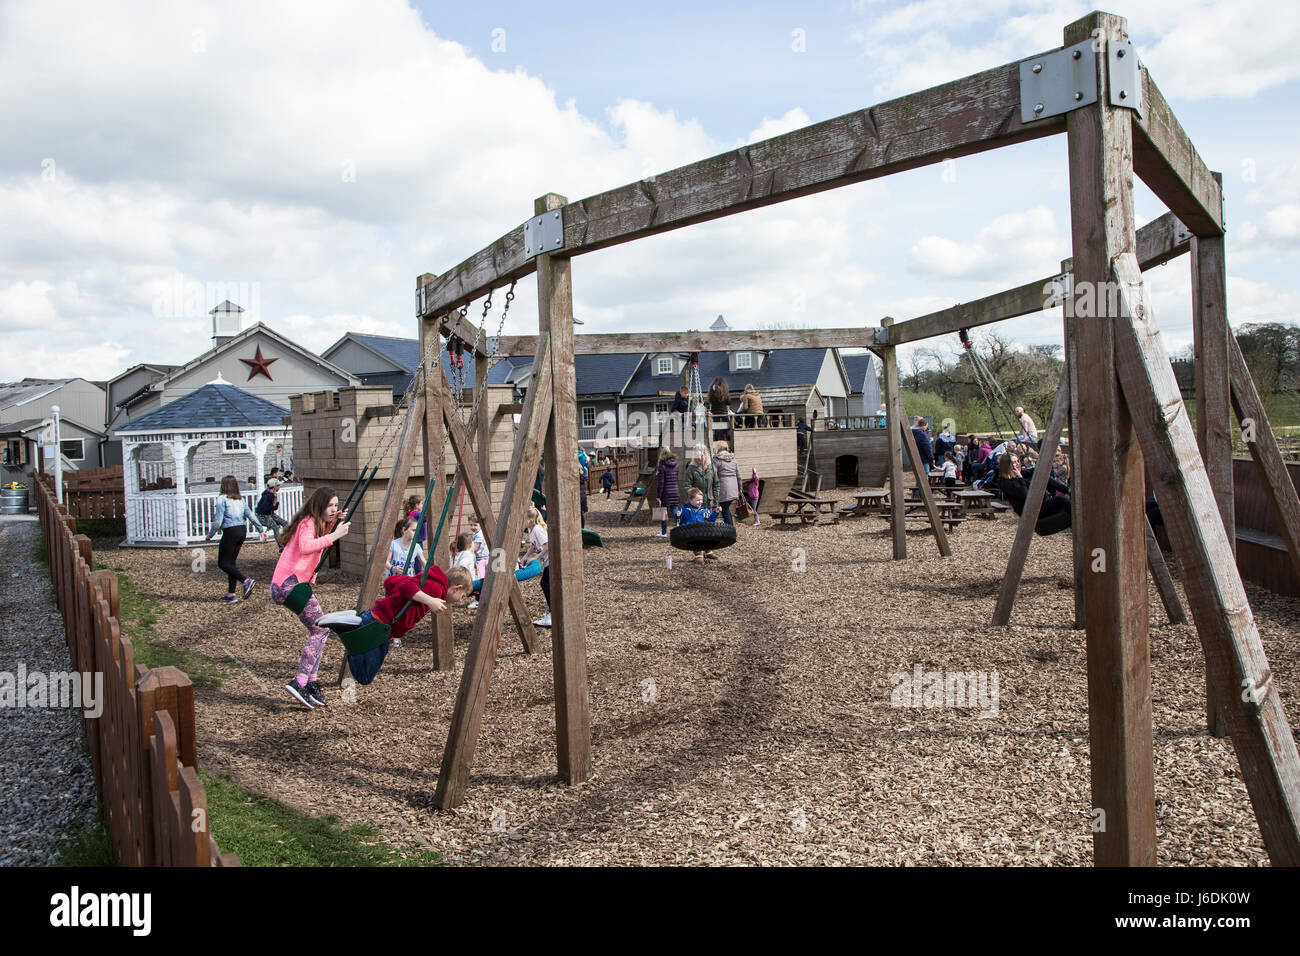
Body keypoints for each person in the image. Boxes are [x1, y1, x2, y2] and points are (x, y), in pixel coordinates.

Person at [319, 565, 473, 685]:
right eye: (463, 595)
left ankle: (348, 623)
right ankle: (345, 626)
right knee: (364, 676)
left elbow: (390, 582)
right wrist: (429, 600)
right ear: (456, 588)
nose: (460, 599)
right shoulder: (435, 588)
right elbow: (404, 587)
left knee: (364, 667)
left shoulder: (427, 580)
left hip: (374, 618)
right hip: (379, 626)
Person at [271, 487, 350, 708]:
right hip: (289, 584)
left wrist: (332, 525)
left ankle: (310, 682)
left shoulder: (314, 523)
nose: (334, 509)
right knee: (321, 629)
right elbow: (306, 547)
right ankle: (300, 681)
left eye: (336, 505)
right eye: (330, 506)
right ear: (319, 506)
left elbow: (319, 538)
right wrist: (334, 535)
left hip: (291, 584)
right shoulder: (307, 523)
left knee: (320, 630)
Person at [205, 476, 268, 603]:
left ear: (223, 486)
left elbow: (218, 521)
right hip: (241, 531)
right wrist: (261, 530)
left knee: (222, 563)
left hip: (231, 531)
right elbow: (250, 515)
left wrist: (210, 534)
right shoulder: (240, 500)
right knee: (231, 563)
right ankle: (231, 594)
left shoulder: (221, 499)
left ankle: (245, 581)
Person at [997, 453, 1071, 534]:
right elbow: (1025, 495)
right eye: (1014, 462)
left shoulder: (1020, 473)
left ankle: (1068, 491)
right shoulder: (1005, 482)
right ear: (1006, 465)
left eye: (1018, 461)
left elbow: (1032, 471)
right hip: (1029, 511)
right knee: (1060, 500)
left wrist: (1041, 464)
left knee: (1044, 478)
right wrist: (1020, 478)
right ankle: (1076, 515)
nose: (1017, 464)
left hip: (1038, 505)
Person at [522, 506, 551, 627]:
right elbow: (533, 546)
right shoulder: (531, 530)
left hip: (552, 560)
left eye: (523, 519)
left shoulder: (537, 529)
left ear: (530, 521)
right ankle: (551, 612)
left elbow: (547, 546)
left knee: (545, 584)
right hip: (547, 560)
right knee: (546, 584)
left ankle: (552, 613)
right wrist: (526, 556)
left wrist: (535, 558)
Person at [678, 487, 721, 564]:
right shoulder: (685, 509)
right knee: (696, 540)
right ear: (691, 500)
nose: (700, 502)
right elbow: (680, 522)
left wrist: (715, 513)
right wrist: (678, 516)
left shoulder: (703, 510)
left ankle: (708, 552)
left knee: (708, 535)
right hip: (690, 531)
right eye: (698, 500)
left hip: (701, 530)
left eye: (701, 500)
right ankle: (698, 555)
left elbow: (709, 521)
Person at [712, 440, 742, 526]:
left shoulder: (716, 459)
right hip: (733, 487)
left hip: (723, 488)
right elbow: (739, 475)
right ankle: (730, 528)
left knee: (724, 509)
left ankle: (731, 530)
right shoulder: (733, 459)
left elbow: (713, 474)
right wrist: (740, 489)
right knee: (726, 509)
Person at [654, 446, 681, 538]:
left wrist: (658, 495)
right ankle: (679, 528)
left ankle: (664, 532)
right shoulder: (676, 464)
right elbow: (676, 478)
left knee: (663, 513)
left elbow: (661, 482)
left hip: (666, 492)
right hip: (675, 489)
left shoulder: (662, 465)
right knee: (675, 511)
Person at [255, 479, 287, 551]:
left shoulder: (271, 495)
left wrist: (275, 501)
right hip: (263, 516)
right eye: (278, 485)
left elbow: (273, 508)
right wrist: (274, 504)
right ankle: (281, 547)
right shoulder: (268, 496)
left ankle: (287, 541)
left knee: (285, 523)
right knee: (275, 527)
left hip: (270, 514)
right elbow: (264, 509)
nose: (279, 487)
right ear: (274, 487)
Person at [685, 447, 718, 514]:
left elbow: (716, 486)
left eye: (701, 455)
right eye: (697, 456)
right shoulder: (691, 469)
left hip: (709, 502)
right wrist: (695, 497)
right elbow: (687, 486)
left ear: (705, 455)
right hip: (696, 505)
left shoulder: (711, 468)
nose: (699, 458)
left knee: (709, 523)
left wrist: (716, 503)